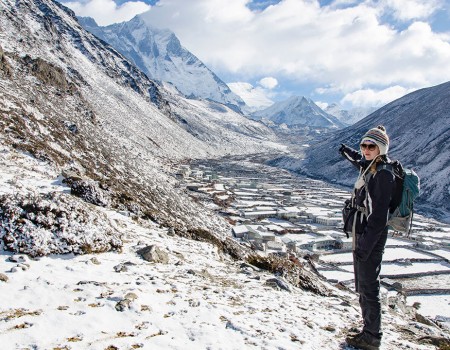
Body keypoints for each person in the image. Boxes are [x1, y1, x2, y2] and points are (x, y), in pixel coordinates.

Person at [339, 125, 396, 350]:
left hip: (371, 236)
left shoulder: (382, 175)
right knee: (363, 284)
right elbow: (360, 162)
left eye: (371, 146)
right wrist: (348, 152)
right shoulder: (372, 167)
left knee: (369, 285)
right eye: (364, 145)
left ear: (381, 148)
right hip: (363, 233)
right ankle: (367, 330)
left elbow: (379, 218)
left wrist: (364, 246)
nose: (366, 150)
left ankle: (372, 336)